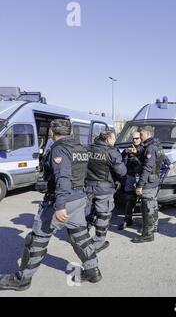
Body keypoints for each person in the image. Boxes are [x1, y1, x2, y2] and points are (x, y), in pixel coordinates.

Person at [0, 119, 101, 291]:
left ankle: (22, 279)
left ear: (52, 133)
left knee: (37, 239)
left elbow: (63, 178)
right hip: (78, 198)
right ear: (70, 132)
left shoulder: (60, 148)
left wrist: (60, 205)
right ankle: (93, 271)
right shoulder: (80, 148)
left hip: (61, 201)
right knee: (80, 236)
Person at [85, 131, 127, 252]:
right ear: (108, 139)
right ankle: (98, 242)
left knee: (88, 213)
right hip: (104, 189)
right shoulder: (111, 152)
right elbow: (122, 172)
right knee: (103, 215)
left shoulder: (88, 149)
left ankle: (81, 237)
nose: (115, 141)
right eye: (114, 138)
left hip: (88, 187)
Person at [132, 126, 161, 243]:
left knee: (147, 208)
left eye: (141, 133)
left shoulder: (150, 148)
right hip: (154, 181)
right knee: (153, 205)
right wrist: (137, 152)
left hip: (148, 182)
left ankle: (147, 234)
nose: (140, 135)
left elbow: (147, 167)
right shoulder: (155, 145)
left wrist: (140, 185)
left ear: (148, 133)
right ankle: (153, 228)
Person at [118, 131, 144, 230]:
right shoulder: (127, 149)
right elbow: (119, 160)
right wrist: (125, 153)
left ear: (140, 138)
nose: (135, 140)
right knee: (129, 198)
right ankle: (127, 220)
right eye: (133, 138)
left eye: (137, 138)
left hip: (141, 177)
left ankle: (145, 223)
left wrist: (136, 154)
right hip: (130, 176)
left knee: (144, 200)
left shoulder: (144, 149)